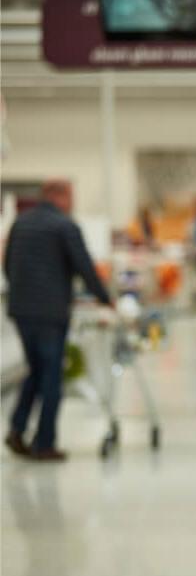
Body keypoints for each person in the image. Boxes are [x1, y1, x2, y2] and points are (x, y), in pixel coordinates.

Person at [3, 180, 112, 461]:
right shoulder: (65, 226)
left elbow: (6, 263)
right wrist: (104, 297)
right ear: (59, 197)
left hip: (21, 310)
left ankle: (17, 428)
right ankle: (45, 443)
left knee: (35, 369)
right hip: (50, 313)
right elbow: (84, 265)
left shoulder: (21, 223)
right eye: (70, 197)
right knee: (52, 375)